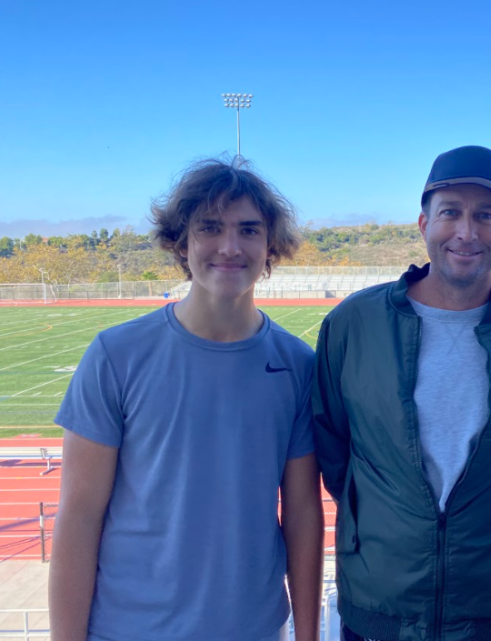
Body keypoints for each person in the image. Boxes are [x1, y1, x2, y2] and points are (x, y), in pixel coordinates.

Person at [49, 157, 324, 641]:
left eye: (249, 230)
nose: (230, 246)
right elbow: (79, 515)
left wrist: (308, 634)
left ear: (270, 244)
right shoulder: (116, 355)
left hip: (254, 630)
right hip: (128, 629)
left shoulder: (298, 365)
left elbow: (302, 511)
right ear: (182, 241)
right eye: (210, 228)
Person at [313, 146, 491, 641]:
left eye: (486, 216)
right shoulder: (354, 323)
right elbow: (333, 446)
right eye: (450, 212)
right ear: (423, 223)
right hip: (379, 608)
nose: (466, 232)